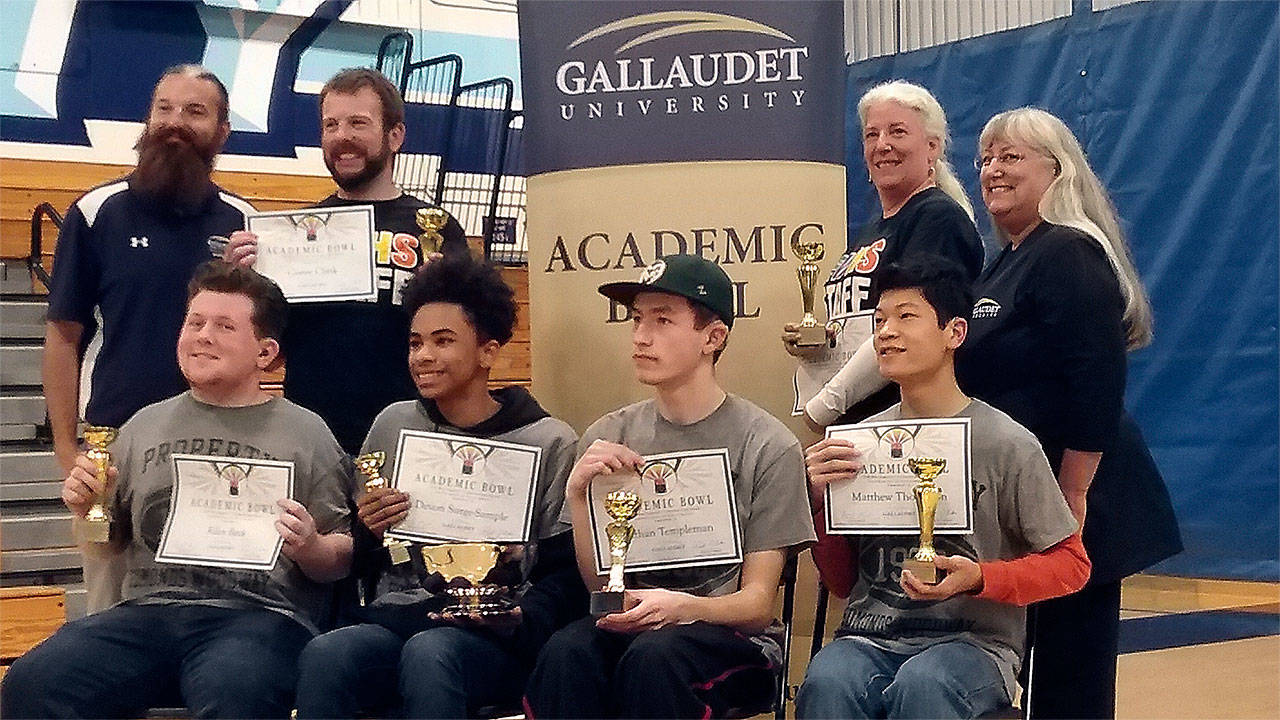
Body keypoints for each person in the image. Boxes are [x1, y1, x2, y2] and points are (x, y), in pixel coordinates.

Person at [2, 262, 353, 719]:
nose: (203, 335)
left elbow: (341, 559)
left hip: (259, 616)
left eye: (225, 326)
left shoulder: (308, 433)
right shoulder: (142, 426)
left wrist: (310, 546)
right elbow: (107, 546)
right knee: (31, 683)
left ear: (265, 353)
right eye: (195, 322)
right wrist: (87, 508)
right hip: (147, 612)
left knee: (239, 691)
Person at [957, 108, 1182, 719]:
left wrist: (1072, 493)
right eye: (985, 160)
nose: (992, 171)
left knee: (1069, 682)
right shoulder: (1006, 261)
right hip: (1031, 498)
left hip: (1077, 499)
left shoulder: (1068, 251)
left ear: (1058, 172)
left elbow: (1097, 377)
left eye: (1011, 157)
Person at [795, 255, 1090, 719]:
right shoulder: (859, 442)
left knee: (925, 684)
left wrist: (982, 577)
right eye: (879, 321)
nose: (886, 332)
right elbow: (841, 584)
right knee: (828, 681)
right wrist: (817, 505)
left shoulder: (1007, 443)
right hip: (868, 636)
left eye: (906, 317)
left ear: (955, 333)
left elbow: (1072, 566)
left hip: (973, 645)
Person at [524, 254, 816, 719]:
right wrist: (579, 498)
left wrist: (680, 607)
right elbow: (602, 589)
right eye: (637, 319)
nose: (641, 336)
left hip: (732, 636)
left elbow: (758, 605)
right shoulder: (610, 434)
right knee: (566, 653)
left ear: (712, 338)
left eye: (663, 320)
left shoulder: (768, 444)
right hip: (636, 624)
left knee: (655, 659)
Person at [294, 254, 585, 718]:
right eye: (415, 343)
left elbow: (563, 573)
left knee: (430, 655)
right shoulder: (393, 424)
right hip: (398, 618)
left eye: (443, 341)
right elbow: (367, 556)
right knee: (328, 655)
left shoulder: (548, 439)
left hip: (490, 635)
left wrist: (522, 620)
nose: (423, 356)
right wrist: (368, 530)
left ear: (488, 351)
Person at [224, 67, 467, 454]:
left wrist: (443, 291)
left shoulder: (435, 229)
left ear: (395, 136)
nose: (342, 137)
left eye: (358, 123)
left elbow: (467, 344)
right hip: (313, 438)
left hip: (413, 434)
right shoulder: (291, 236)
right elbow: (270, 353)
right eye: (331, 125)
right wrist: (239, 285)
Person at [43, 65, 254, 476]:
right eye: (165, 108)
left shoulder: (245, 224)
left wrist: (240, 282)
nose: (175, 122)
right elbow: (62, 337)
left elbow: (267, 339)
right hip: (116, 437)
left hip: (222, 437)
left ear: (222, 131)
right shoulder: (95, 212)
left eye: (194, 111)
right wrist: (67, 450)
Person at [788, 80, 983, 432]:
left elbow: (911, 327)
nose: (883, 145)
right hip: (859, 423)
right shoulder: (873, 230)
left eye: (898, 132)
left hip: (908, 427)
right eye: (871, 135)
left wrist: (827, 404)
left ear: (932, 147)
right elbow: (864, 326)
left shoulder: (938, 219)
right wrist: (819, 347)